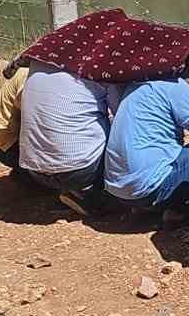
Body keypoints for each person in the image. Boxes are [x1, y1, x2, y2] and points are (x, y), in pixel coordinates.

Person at [104, 46, 189, 219]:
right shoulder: (175, 86)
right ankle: (178, 211)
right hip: (149, 190)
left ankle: (145, 211)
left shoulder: (136, 83)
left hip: (119, 190)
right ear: (182, 63)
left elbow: (178, 114)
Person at [17, 63, 119, 216]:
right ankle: (91, 196)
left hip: (34, 170)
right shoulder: (99, 65)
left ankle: (72, 191)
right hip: (79, 172)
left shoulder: (39, 61)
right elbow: (119, 113)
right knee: (118, 131)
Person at [0, 66, 29, 171]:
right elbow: (33, 117)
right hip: (7, 148)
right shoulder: (30, 76)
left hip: (1, 142)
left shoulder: (27, 71)